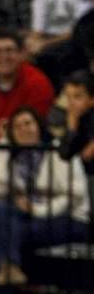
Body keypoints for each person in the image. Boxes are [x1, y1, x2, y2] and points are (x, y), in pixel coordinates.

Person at [0, 105, 90, 289]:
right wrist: (4, 142)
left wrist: (37, 209)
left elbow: (76, 194)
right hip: (29, 216)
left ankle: (7, 286)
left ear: (39, 125)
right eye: (16, 126)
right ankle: (9, 271)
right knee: (1, 210)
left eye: (28, 123)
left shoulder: (59, 150)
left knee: (11, 232)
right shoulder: (10, 153)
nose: (23, 129)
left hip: (71, 218)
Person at [25, 0, 94, 89]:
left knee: (51, 55)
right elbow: (38, 22)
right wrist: (33, 42)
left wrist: (44, 44)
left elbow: (79, 28)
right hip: (47, 38)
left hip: (73, 39)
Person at [0, 29, 55, 140]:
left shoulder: (38, 84)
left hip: (27, 150)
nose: (4, 57)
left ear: (22, 54)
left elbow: (35, 130)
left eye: (9, 50)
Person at [58, 69, 94, 210]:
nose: (71, 103)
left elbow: (87, 155)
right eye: (68, 97)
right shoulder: (75, 120)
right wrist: (71, 128)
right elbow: (64, 154)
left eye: (77, 97)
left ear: (92, 99)